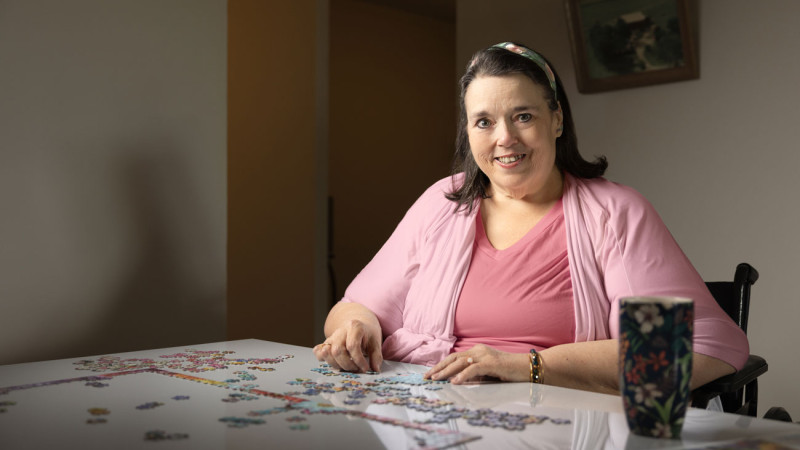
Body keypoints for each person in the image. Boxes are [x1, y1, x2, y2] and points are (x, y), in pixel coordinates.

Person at [313, 42, 748, 395]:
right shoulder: (441, 203)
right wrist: (356, 328)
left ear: (556, 120)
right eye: (484, 122)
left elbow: (699, 347)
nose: (505, 138)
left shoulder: (615, 214)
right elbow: (354, 307)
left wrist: (527, 366)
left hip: (559, 425)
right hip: (431, 421)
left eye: (523, 116)